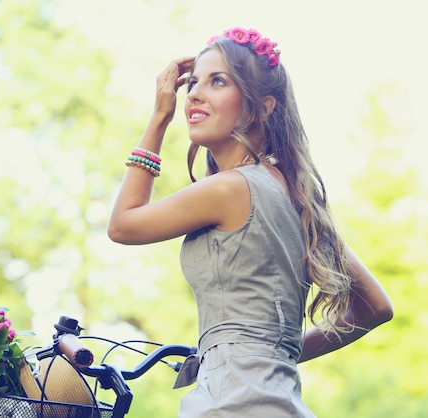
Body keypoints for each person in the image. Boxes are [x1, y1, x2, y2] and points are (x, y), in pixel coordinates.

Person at [107, 27, 393, 417]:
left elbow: (122, 224)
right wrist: (260, 350)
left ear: (262, 107)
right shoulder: (298, 196)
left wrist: (158, 117)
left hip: (231, 406)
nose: (192, 94)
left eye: (218, 81)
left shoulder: (229, 188)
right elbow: (375, 307)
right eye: (193, 82)